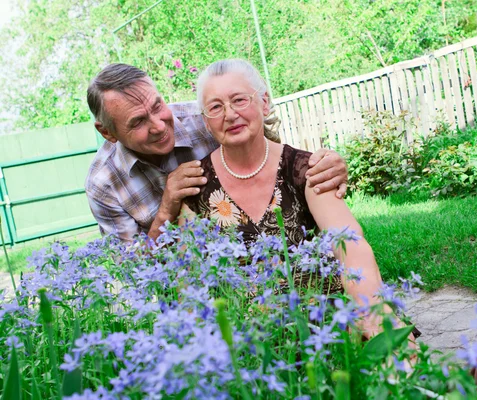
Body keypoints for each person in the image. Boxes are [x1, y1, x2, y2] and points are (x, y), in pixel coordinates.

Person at [178, 58, 399, 340]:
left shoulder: (306, 169)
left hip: (326, 323)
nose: (230, 114)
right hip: (252, 340)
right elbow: (187, 278)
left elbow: (349, 244)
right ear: (206, 122)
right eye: (216, 107)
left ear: (264, 102)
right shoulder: (196, 186)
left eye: (239, 100)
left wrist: (371, 315)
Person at [84, 63, 348, 242]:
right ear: (108, 133)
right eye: (138, 122)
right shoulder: (103, 185)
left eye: (157, 106)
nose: (159, 125)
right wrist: (166, 209)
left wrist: (322, 165)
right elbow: (134, 271)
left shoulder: (208, 119)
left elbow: (273, 158)